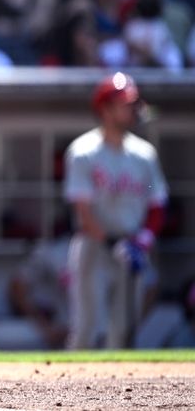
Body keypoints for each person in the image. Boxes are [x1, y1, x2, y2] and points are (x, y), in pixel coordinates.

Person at [64, 72, 168, 349]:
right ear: (106, 109)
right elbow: (83, 211)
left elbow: (157, 204)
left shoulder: (144, 154)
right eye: (125, 104)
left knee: (123, 331)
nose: (132, 109)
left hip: (133, 246)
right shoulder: (83, 151)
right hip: (95, 245)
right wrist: (113, 243)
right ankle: (66, 391)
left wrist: (143, 240)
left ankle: (120, 393)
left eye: (133, 103)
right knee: (87, 327)